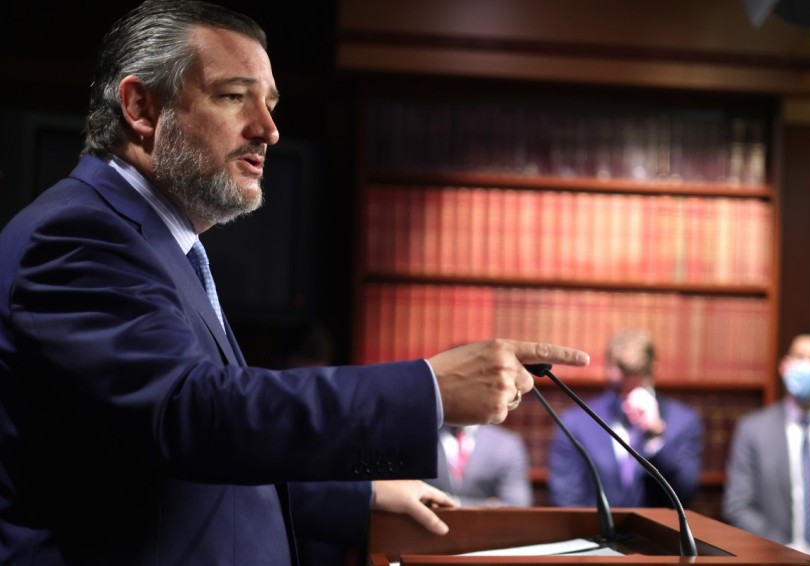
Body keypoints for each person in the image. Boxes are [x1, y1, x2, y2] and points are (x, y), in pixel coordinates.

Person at [0, 1, 591, 565]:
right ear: (141, 108)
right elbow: (195, 417)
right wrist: (428, 389)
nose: (269, 130)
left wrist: (360, 497)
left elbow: (184, 466)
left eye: (271, 103)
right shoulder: (81, 235)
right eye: (235, 97)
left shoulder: (160, 243)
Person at [723, 330, 810, 566]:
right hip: (770, 559)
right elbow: (738, 506)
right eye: (799, 357)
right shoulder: (752, 429)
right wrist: (784, 553)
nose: (806, 366)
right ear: (784, 366)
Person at [547, 329, 704, 508]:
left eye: (636, 382)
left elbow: (685, 495)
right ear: (608, 371)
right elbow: (566, 499)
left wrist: (656, 433)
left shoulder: (684, 422)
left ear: (653, 370)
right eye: (620, 385)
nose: (628, 396)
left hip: (659, 534)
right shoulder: (575, 422)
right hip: (594, 534)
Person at [426, 424, 532, 507]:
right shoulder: (419, 435)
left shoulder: (507, 444)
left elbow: (516, 505)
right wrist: (490, 505)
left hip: (487, 531)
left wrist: (451, 503)